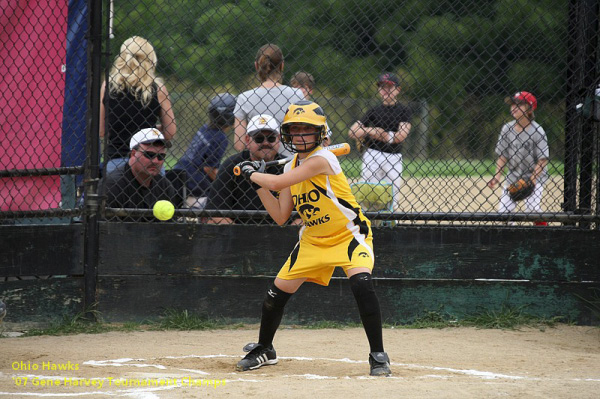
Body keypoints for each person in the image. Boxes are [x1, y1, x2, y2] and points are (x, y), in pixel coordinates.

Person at [234, 100, 391, 377]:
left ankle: (378, 355)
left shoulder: (323, 159)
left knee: (361, 284)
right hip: (313, 240)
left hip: (349, 234)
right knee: (275, 294)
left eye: (307, 130)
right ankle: (265, 348)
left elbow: (278, 183)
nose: (300, 136)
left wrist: (253, 172)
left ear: (320, 134)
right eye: (294, 131)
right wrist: (257, 183)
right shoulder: (290, 166)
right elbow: (281, 215)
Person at [100, 36, 177, 174]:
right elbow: (170, 132)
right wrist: (150, 128)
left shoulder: (107, 86)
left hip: (116, 159)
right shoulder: (158, 89)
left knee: (114, 193)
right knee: (155, 194)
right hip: (149, 160)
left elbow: (101, 130)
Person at [204, 114, 286, 224]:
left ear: (278, 140)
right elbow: (215, 213)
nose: (266, 143)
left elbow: (303, 217)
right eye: (259, 138)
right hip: (238, 231)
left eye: (271, 138)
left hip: (282, 233)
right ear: (247, 140)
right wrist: (240, 237)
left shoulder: (289, 167)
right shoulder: (232, 165)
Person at [348, 72, 412, 211]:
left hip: (394, 157)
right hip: (373, 154)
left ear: (398, 90)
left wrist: (384, 135)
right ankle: (369, 223)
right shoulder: (373, 111)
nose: (385, 90)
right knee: (368, 195)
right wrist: (372, 131)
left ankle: (389, 222)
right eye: (382, 87)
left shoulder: (404, 111)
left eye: (389, 87)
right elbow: (352, 131)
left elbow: (401, 136)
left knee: (392, 196)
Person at [487, 91, 549, 225]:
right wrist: (497, 176)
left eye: (519, 104)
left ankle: (543, 235)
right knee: (503, 213)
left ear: (530, 108)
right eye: (512, 104)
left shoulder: (538, 131)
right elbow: (503, 156)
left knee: (532, 210)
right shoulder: (507, 129)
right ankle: (512, 238)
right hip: (513, 177)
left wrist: (532, 181)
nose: (513, 107)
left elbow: (542, 160)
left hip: (534, 178)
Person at [233, 43, 304, 156]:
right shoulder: (297, 95)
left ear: (256, 65)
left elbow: (239, 144)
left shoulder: (244, 98)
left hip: (258, 166)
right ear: (282, 65)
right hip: (290, 165)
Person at [172, 93, 236, 209]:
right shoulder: (220, 137)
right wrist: (227, 184)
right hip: (196, 186)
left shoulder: (205, 128)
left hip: (180, 174)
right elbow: (209, 168)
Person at [99, 128, 176, 221]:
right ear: (133, 154)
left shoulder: (164, 186)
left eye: (161, 156)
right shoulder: (113, 185)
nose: (155, 161)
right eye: (149, 155)